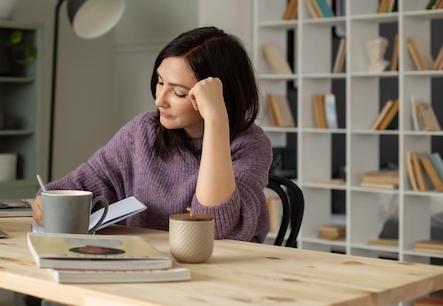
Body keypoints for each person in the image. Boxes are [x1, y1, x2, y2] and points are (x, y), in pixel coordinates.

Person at [32, 26, 272, 242]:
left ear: (218, 99)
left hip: (220, 276)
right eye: (159, 82)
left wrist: (216, 121)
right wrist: (47, 200)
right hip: (141, 266)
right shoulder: (143, 130)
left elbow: (214, 229)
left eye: (178, 93)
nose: (159, 101)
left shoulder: (250, 144)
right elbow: (85, 182)